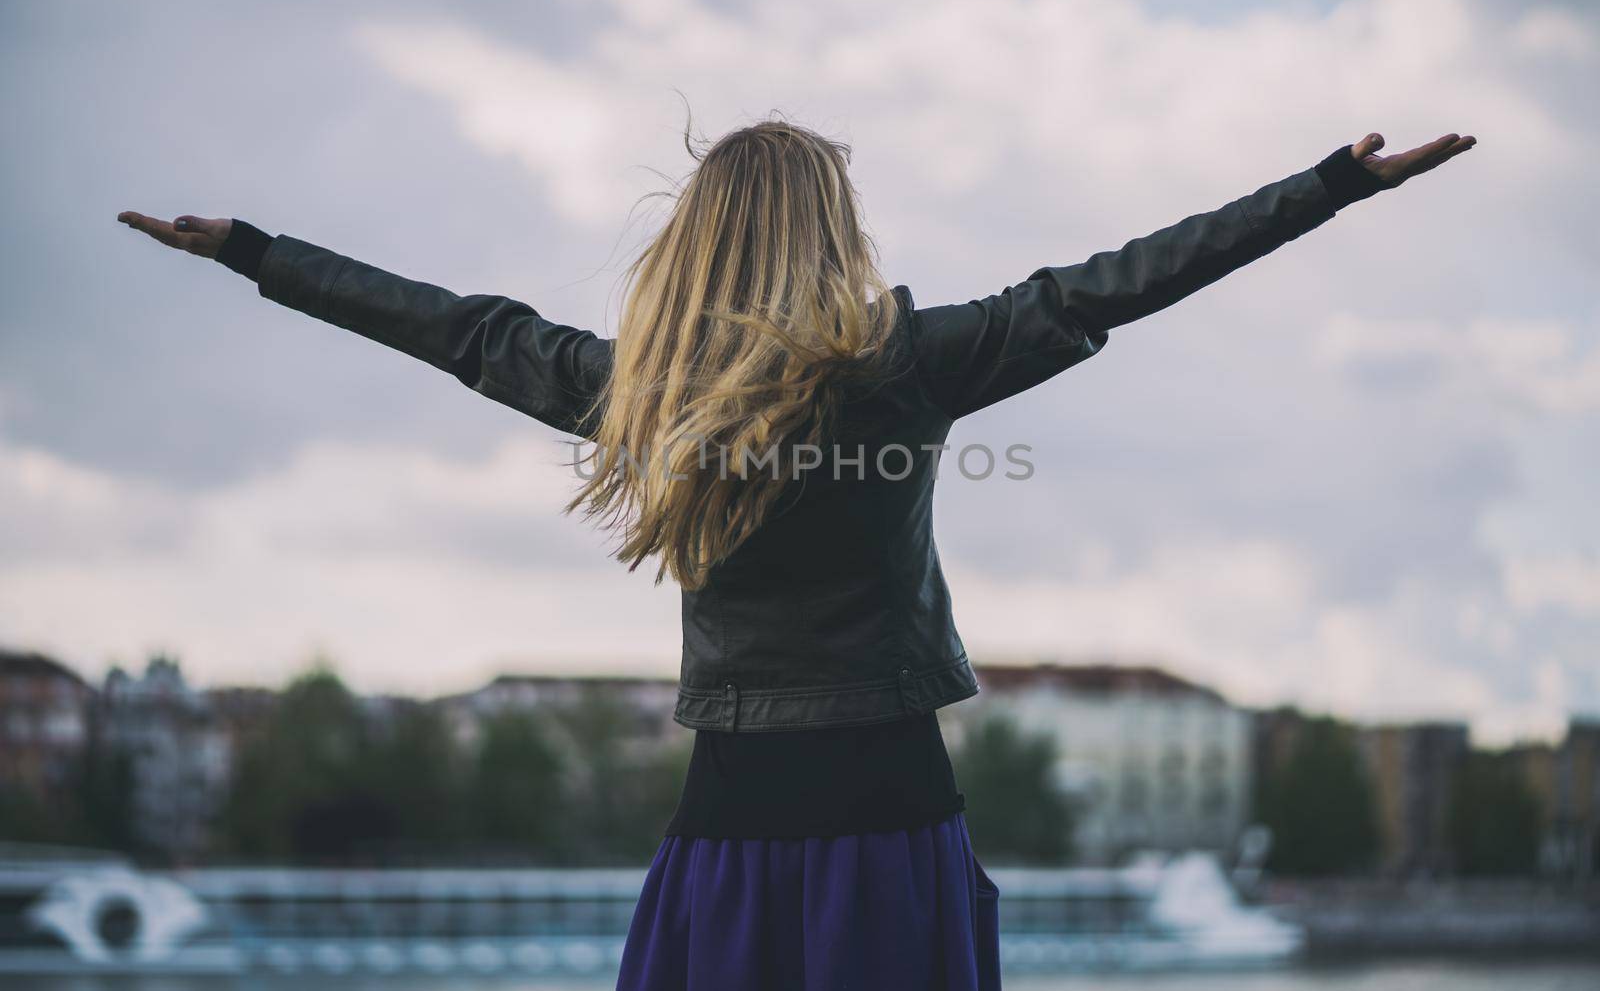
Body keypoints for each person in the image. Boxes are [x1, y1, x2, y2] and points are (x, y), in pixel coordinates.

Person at [118, 121, 1475, 990]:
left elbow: (464, 332)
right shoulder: (908, 366)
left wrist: (253, 251)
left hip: (732, 814)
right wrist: (1330, 187)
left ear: (701, 238)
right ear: (831, 230)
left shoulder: (639, 390)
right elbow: (1127, 278)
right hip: (891, 808)